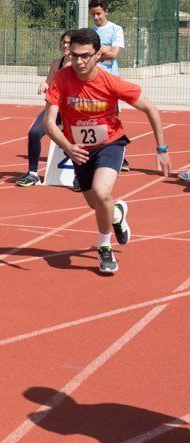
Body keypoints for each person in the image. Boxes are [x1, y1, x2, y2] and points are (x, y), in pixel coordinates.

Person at [43, 27, 171, 274]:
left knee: (102, 192)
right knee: (97, 203)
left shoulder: (111, 82)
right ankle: (117, 215)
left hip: (109, 143)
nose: (79, 61)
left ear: (98, 54)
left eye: (85, 56)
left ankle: (104, 247)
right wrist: (67, 146)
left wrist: (161, 148)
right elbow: (49, 122)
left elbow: (150, 108)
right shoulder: (62, 78)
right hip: (78, 149)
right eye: (75, 55)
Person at [14, 31, 72, 186]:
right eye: (63, 42)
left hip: (74, 110)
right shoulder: (56, 63)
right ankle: (33, 174)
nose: (65, 45)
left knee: (78, 138)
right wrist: (44, 84)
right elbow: (48, 81)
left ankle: (81, 176)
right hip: (55, 108)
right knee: (33, 133)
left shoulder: (79, 65)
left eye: (69, 42)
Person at [90, 0, 130, 173]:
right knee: (92, 117)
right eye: (93, 14)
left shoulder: (115, 29)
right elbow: (86, 54)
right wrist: (102, 51)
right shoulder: (90, 32)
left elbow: (114, 53)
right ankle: (97, 153)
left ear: (106, 11)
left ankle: (120, 153)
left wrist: (98, 53)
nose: (96, 17)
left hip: (110, 81)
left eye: (98, 13)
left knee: (111, 118)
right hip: (91, 81)